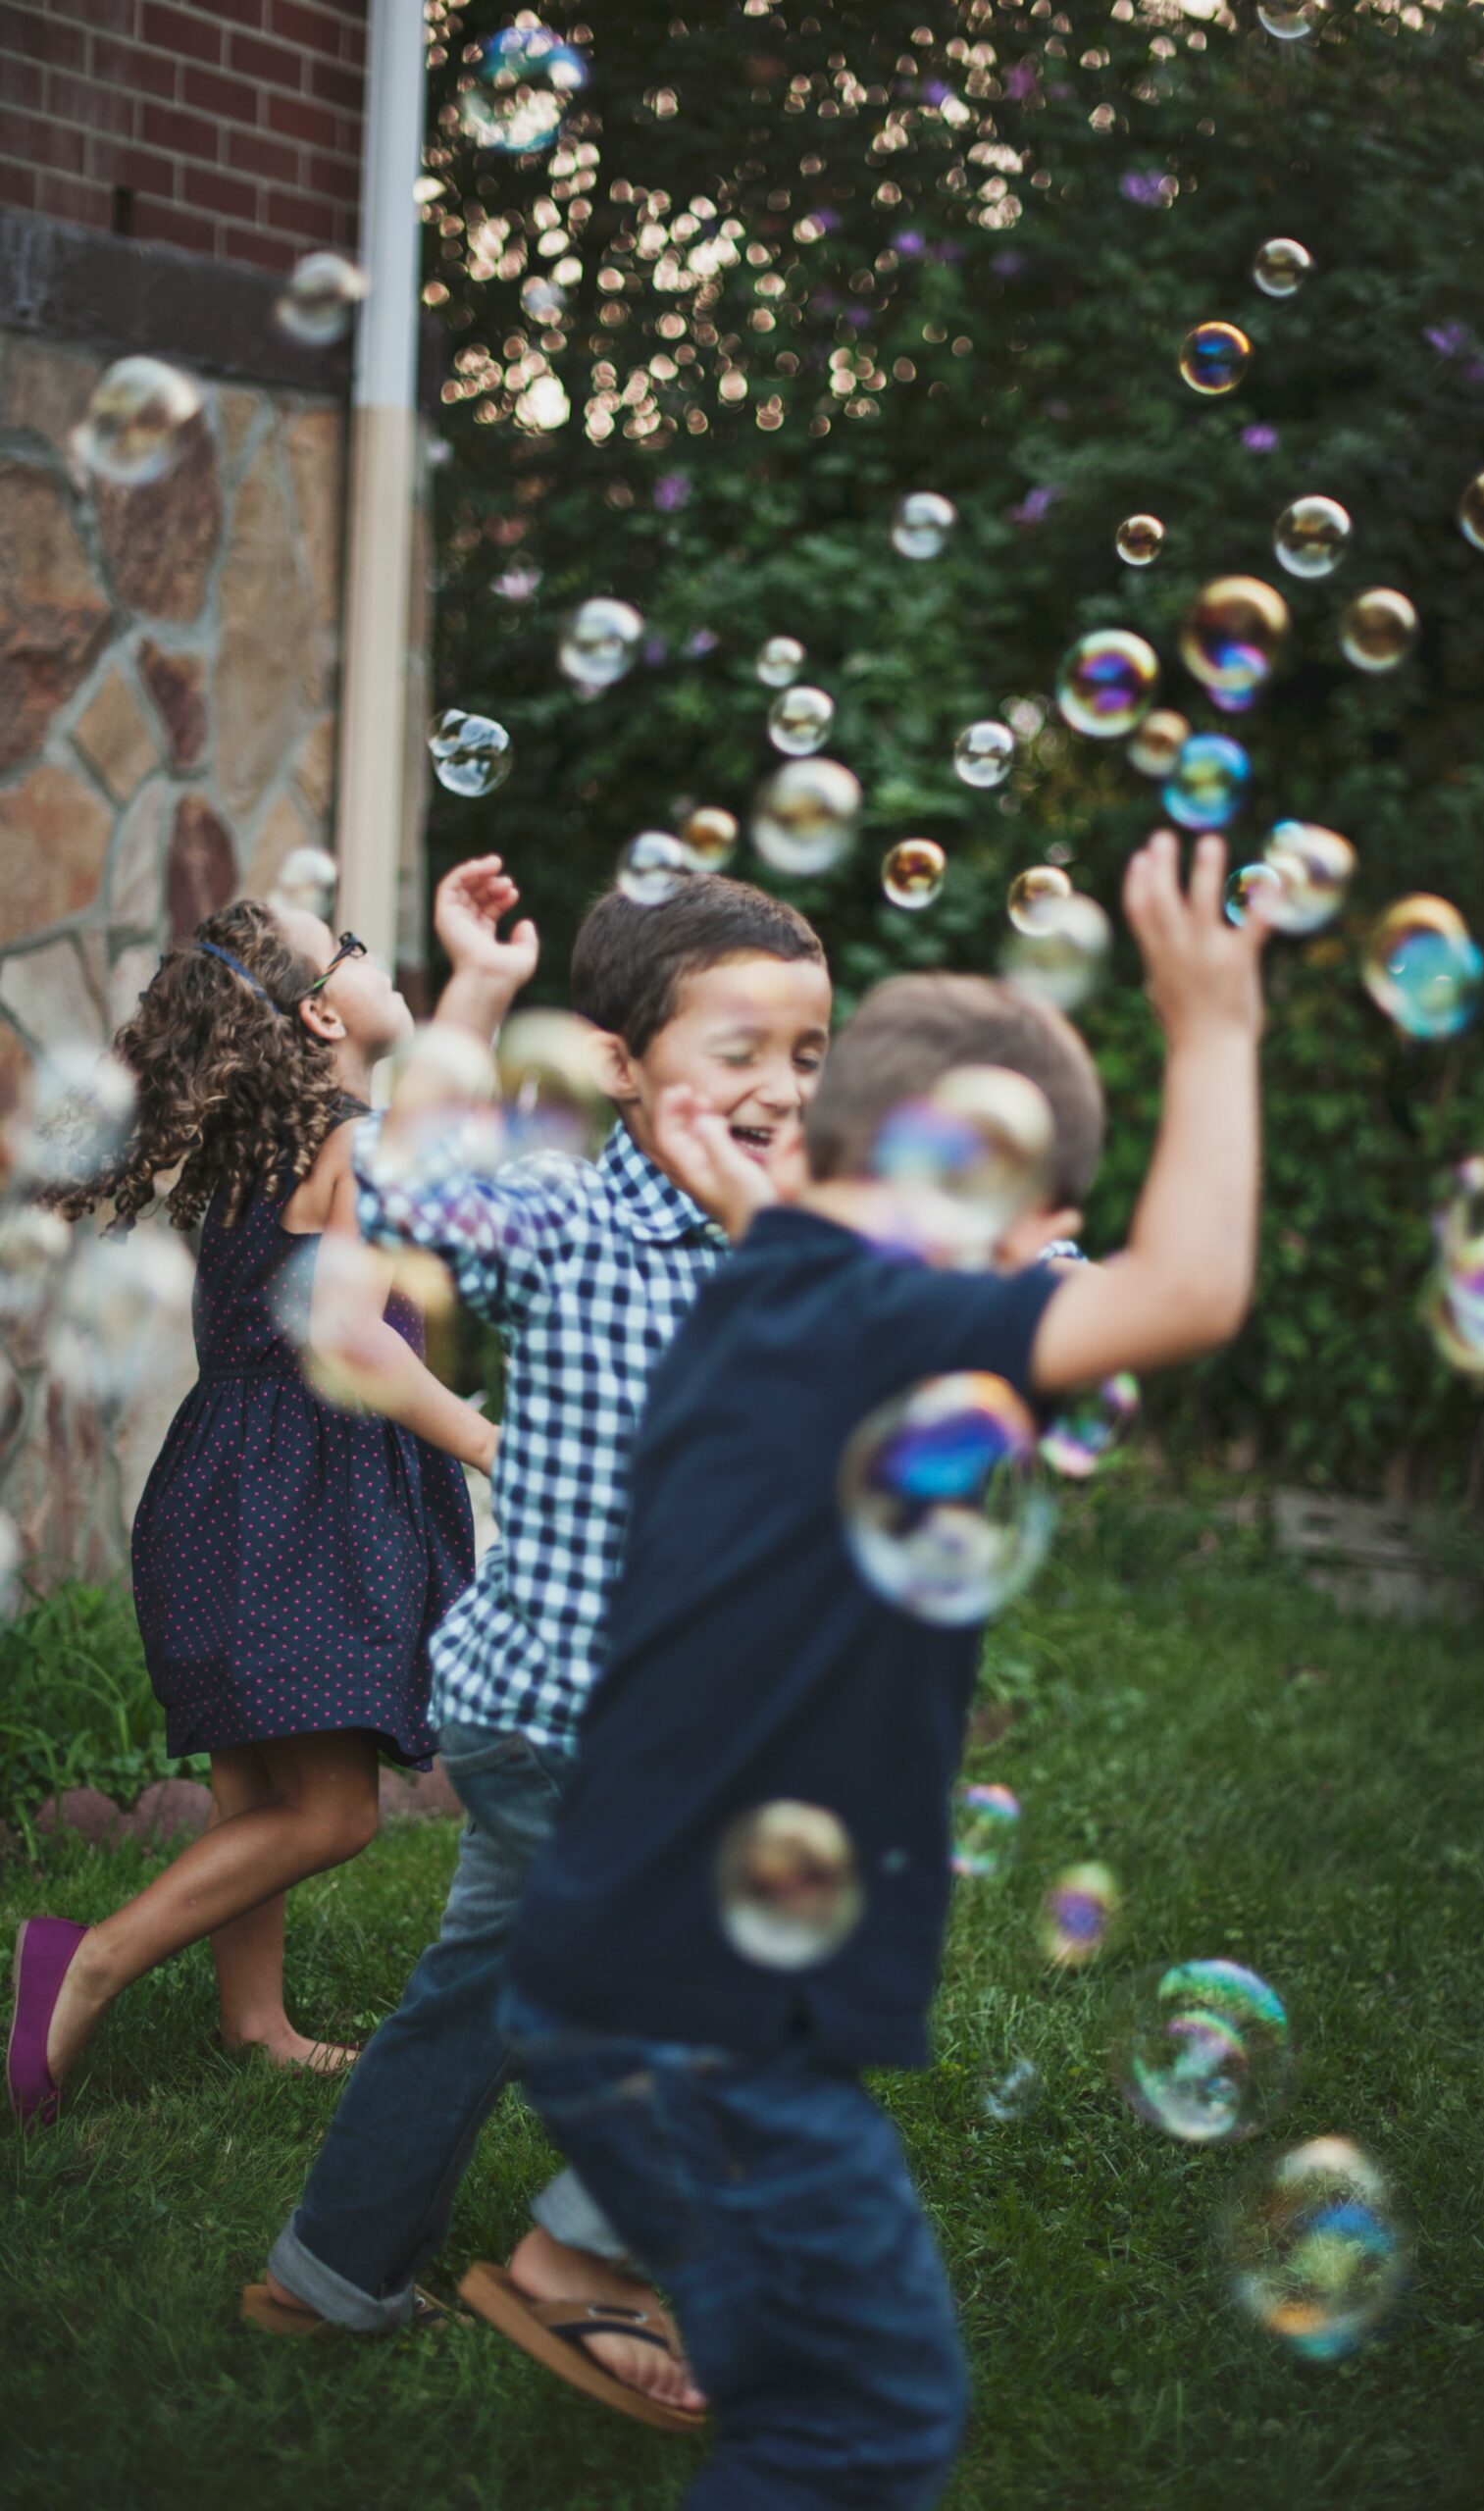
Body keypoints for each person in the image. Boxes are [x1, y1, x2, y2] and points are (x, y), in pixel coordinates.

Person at [492, 831, 1267, 2507]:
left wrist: (778, 1196)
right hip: (714, 2026)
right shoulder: (890, 1321)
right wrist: (1214, 1026)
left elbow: (798, 1226)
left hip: (611, 1974)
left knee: (801, 2397)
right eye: (1039, 1228)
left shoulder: (762, 1286)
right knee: (864, 2416)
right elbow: (1194, 1288)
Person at [250, 857, 832, 2412]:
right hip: (578, 1718)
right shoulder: (566, 1216)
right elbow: (415, 1185)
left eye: (807, 1054)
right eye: (739, 1051)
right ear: (625, 1067)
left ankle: (327, 2274)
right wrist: (478, 993)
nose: (780, 1089)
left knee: (477, 1999)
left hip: (584, 1716)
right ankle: (581, 2261)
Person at [7, 900, 483, 2129]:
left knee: (253, 1794)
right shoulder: (353, 1145)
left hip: (219, 1483)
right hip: (305, 1495)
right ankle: (89, 1961)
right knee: (328, 1813)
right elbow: (350, 1341)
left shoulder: (252, 1157)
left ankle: (254, 2024)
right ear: (324, 1012)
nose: (376, 958)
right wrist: (494, 1440)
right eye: (356, 947)